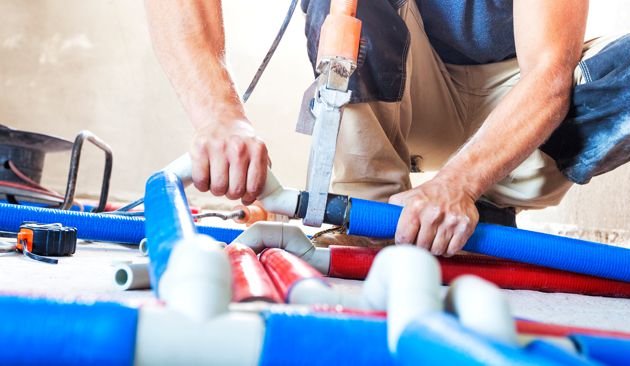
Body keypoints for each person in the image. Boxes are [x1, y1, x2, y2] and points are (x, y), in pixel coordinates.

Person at [145, 0, 630, 256]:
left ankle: (483, 206)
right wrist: (219, 115)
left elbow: (547, 74)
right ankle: (367, 216)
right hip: (411, 91)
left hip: (519, 112)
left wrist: (459, 184)